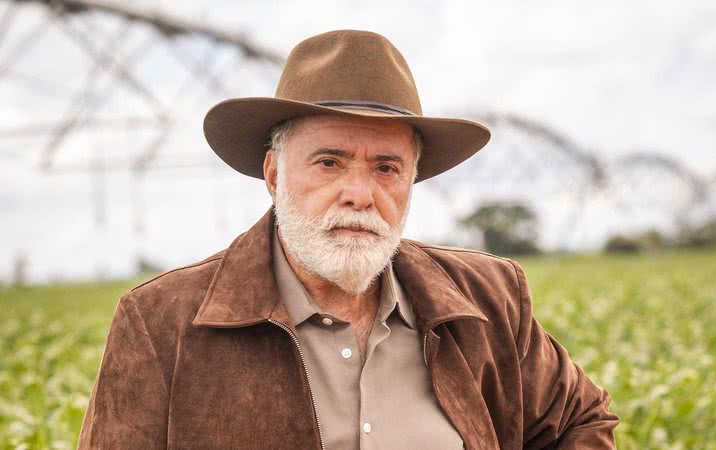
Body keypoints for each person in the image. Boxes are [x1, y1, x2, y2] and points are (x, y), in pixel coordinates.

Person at [77, 29, 618, 449]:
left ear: (411, 181)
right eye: (329, 162)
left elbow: (580, 420)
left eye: (386, 168)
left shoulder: (489, 298)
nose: (359, 194)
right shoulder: (161, 323)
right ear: (273, 174)